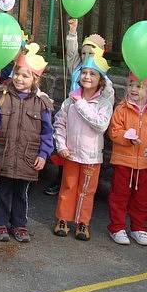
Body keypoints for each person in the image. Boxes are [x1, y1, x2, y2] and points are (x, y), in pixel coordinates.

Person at [0, 43, 53, 243]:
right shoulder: (3, 96)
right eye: (17, 73)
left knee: (22, 194)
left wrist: (43, 154)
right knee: (3, 190)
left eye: (25, 76)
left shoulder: (42, 103)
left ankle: (19, 224)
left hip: (27, 157)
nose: (19, 78)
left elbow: (48, 133)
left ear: (35, 79)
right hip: (6, 154)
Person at [52, 48, 113, 241]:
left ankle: (82, 222)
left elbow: (100, 125)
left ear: (100, 80)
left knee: (87, 191)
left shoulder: (103, 103)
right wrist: (61, 145)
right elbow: (59, 123)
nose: (87, 76)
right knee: (68, 187)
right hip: (71, 153)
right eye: (84, 72)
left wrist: (80, 104)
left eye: (92, 74)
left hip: (91, 157)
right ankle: (63, 219)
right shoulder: (70, 100)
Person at [45, 20, 108, 197]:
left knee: (83, 150)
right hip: (72, 110)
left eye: (91, 53)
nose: (86, 55)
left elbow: (106, 94)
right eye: (84, 52)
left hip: (88, 113)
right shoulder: (77, 68)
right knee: (65, 146)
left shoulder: (99, 74)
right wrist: (72, 32)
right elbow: (71, 52)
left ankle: (84, 189)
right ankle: (60, 181)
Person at [107, 73, 147, 246]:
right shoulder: (122, 108)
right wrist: (127, 137)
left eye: (138, 86)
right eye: (130, 85)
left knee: (142, 199)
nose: (133, 89)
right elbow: (113, 131)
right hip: (123, 162)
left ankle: (139, 228)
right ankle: (117, 227)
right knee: (119, 197)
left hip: (146, 164)